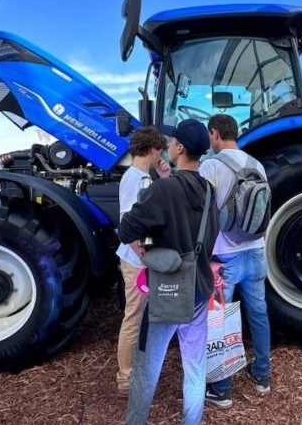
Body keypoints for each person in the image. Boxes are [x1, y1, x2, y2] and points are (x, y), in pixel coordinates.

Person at [118, 118, 220, 425]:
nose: (168, 146)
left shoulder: (163, 189)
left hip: (167, 291)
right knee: (195, 368)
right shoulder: (209, 190)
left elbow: (127, 229)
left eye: (172, 141)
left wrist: (149, 251)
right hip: (199, 288)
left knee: (146, 368)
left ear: (180, 148)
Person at [200, 114, 271, 409]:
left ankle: (222, 389)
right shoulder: (257, 165)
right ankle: (262, 375)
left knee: (220, 320)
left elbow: (202, 212)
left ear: (215, 133)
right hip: (256, 251)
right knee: (259, 313)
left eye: (210, 135)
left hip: (224, 256)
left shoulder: (211, 166)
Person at [115, 126, 169, 398]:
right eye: (159, 150)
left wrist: (164, 177)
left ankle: (136, 372)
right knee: (134, 317)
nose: (161, 156)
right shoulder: (135, 179)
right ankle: (125, 379)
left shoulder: (141, 177)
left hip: (140, 259)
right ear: (151, 149)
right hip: (137, 261)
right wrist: (145, 258)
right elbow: (127, 223)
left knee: (139, 317)